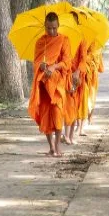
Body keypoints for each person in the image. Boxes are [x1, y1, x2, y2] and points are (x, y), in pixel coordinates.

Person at [30, 12, 71, 156]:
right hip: (44, 84)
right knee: (45, 114)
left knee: (58, 113)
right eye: (48, 28)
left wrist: (53, 67)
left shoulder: (64, 40)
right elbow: (36, 62)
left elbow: (66, 62)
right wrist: (41, 66)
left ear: (58, 25)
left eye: (54, 28)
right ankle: (51, 146)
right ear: (45, 26)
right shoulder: (41, 42)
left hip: (57, 84)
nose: (52, 31)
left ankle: (58, 145)